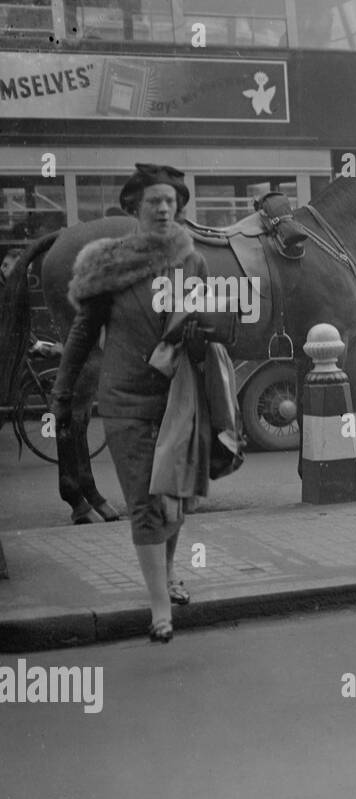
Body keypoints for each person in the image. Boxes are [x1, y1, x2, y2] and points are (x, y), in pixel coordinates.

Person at [52, 164, 213, 643]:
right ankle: (160, 606)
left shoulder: (192, 261)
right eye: (153, 202)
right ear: (133, 209)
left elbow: (202, 324)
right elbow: (83, 334)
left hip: (177, 397)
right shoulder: (110, 264)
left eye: (171, 201)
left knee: (175, 497)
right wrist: (62, 392)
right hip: (124, 400)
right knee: (145, 500)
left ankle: (165, 574)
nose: (164, 209)